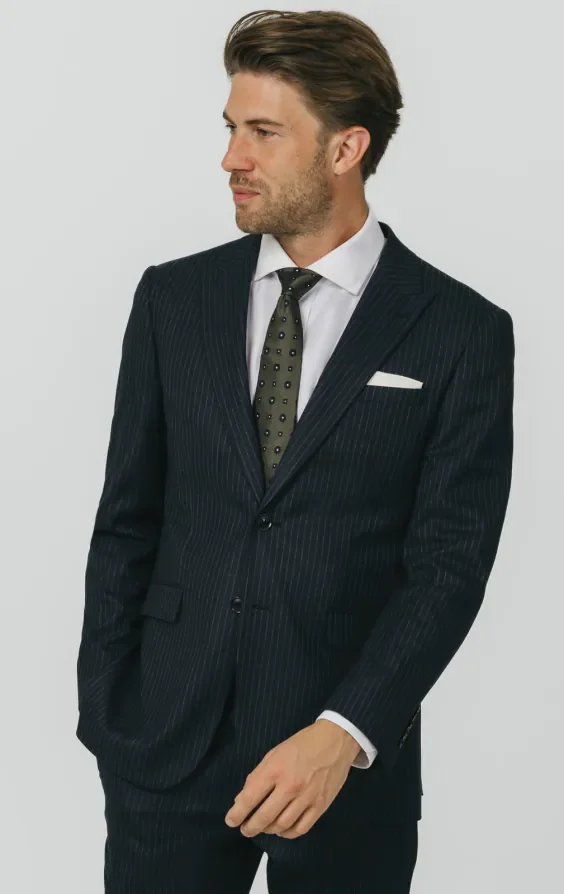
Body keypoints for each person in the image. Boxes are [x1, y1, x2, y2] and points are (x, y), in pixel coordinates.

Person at [76, 9, 515, 893]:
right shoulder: (173, 300)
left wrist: (344, 731)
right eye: (231, 128)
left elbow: (448, 567)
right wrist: (110, 711)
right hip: (164, 749)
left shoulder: (461, 330)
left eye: (263, 132)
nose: (231, 158)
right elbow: (128, 519)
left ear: (346, 148)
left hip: (341, 763)